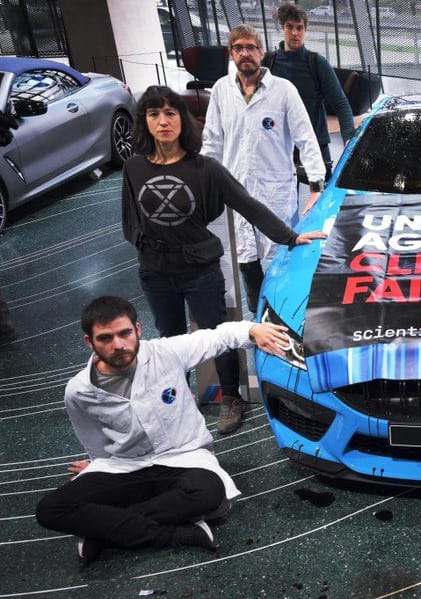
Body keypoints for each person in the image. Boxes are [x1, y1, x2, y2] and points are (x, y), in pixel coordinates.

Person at [122, 85, 325, 434]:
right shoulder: (134, 168)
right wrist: (145, 246)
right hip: (156, 272)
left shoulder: (205, 169)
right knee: (168, 339)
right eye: (154, 115)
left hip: (200, 270)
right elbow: (129, 219)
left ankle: (231, 397)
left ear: (182, 120)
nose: (163, 121)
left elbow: (248, 204)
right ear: (145, 122)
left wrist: (289, 236)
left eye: (170, 113)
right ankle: (175, 397)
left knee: (218, 335)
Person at [34, 296, 295, 565]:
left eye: (125, 333)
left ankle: (103, 531)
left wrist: (252, 330)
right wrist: (96, 466)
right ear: (90, 342)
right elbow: (91, 435)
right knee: (50, 509)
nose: (119, 345)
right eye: (105, 338)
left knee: (209, 492)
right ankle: (178, 534)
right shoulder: (79, 390)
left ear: (138, 329)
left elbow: (217, 337)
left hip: (182, 458)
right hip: (126, 466)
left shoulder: (165, 352)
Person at [202, 24, 326, 315]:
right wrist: (202, 183)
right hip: (235, 194)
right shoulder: (221, 90)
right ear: (231, 53)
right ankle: (258, 322)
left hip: (275, 194)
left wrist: (317, 184)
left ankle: (285, 320)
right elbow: (211, 142)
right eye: (238, 48)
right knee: (247, 262)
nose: (245, 54)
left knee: (281, 259)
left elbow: (305, 137)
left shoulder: (283, 91)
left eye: (251, 48)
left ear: (262, 52)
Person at [265, 3, 356, 181]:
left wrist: (349, 139)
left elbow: (340, 103)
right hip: (281, 147)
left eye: (299, 28)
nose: (294, 33)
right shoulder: (269, 62)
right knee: (285, 203)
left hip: (314, 146)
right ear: (282, 28)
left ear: (305, 30)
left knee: (320, 201)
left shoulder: (316, 63)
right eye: (289, 27)